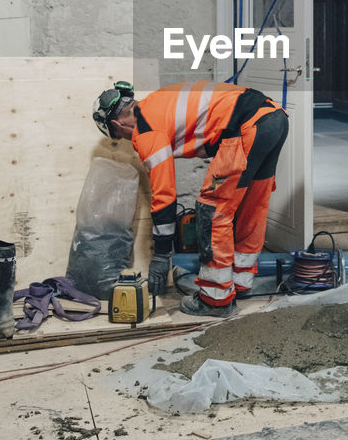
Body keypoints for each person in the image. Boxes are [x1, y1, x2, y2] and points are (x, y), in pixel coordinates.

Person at [93, 79, 289, 317]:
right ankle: (240, 283)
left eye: (117, 134)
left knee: (212, 209)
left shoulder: (146, 130)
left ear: (116, 123)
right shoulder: (157, 103)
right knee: (251, 206)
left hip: (246, 128)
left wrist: (162, 253)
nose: (124, 139)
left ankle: (215, 300)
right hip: (274, 119)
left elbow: (164, 194)